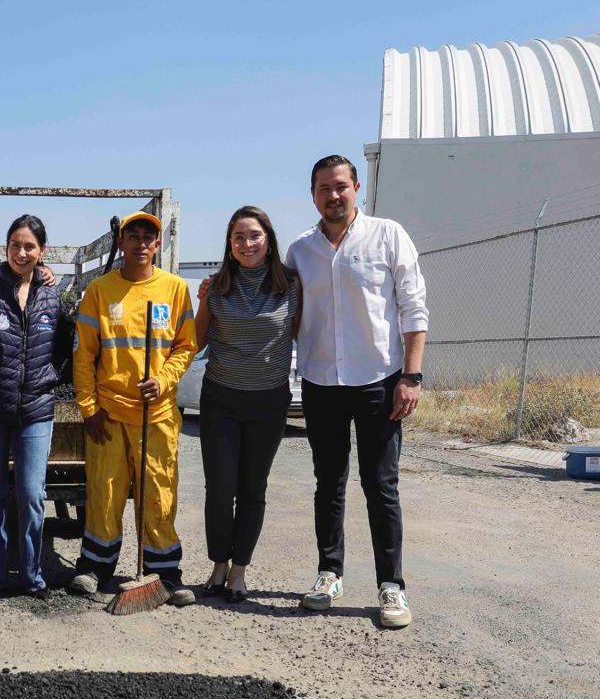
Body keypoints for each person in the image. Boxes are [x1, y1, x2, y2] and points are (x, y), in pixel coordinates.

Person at [286, 155, 428, 628]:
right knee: (328, 483)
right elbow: (280, 311)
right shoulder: (300, 251)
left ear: (357, 188)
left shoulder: (388, 235)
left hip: (379, 382)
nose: (333, 195)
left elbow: (413, 308)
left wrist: (411, 377)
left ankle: (392, 586)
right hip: (321, 383)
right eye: (324, 188)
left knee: (380, 486)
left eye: (341, 186)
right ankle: (329, 573)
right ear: (313, 195)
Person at [68, 211, 198, 605]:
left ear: (157, 245)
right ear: (121, 242)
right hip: (109, 415)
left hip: (157, 417)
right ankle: (95, 567)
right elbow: (83, 355)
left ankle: (165, 573)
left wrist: (163, 380)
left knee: (158, 494)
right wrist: (89, 409)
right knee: (105, 493)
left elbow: (186, 346)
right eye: (133, 236)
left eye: (148, 237)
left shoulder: (175, 289)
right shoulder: (99, 291)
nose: (141, 243)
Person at [193, 206, 301, 603]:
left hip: (268, 401)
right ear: (230, 244)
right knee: (220, 488)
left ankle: (239, 571)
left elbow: (304, 334)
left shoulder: (292, 285)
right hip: (221, 398)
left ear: (269, 240)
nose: (247, 243)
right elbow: (196, 341)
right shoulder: (216, 286)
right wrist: (201, 301)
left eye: (254, 235)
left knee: (253, 489)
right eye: (239, 237)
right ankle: (218, 564)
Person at [0, 215, 72, 600]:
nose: (21, 253)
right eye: (15, 245)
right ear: (6, 248)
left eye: (29, 246)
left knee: (30, 495)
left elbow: (64, 348)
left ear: (42, 251)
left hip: (36, 410)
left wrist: (49, 378)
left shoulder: (53, 297)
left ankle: (31, 575)